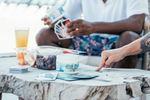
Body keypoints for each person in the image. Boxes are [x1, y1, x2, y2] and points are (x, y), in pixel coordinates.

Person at [36, 0, 148, 68]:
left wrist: (94, 27)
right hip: (88, 42)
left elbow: (137, 24)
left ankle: (115, 90)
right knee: (44, 35)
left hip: (118, 45)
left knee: (130, 37)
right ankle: (68, 78)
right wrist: (56, 21)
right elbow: (67, 18)